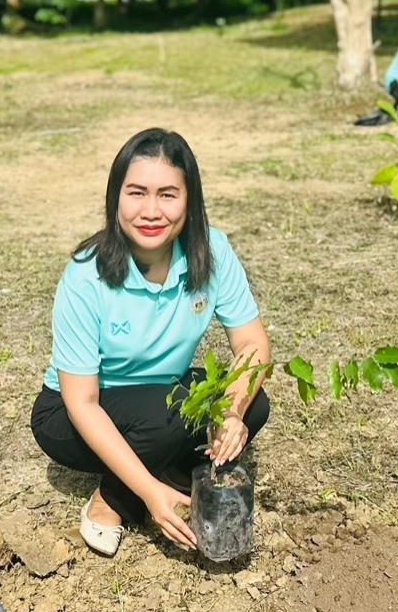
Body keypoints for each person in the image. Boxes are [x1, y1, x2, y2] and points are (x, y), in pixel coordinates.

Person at [30, 128, 271, 558]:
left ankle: (170, 471)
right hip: (74, 414)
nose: (151, 211)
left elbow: (252, 343)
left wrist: (233, 413)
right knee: (173, 415)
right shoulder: (87, 275)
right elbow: (81, 402)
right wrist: (146, 494)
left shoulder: (212, 251)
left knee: (254, 402)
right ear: (115, 198)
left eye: (168, 195)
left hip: (162, 398)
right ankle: (114, 498)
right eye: (137, 193)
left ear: (189, 201)